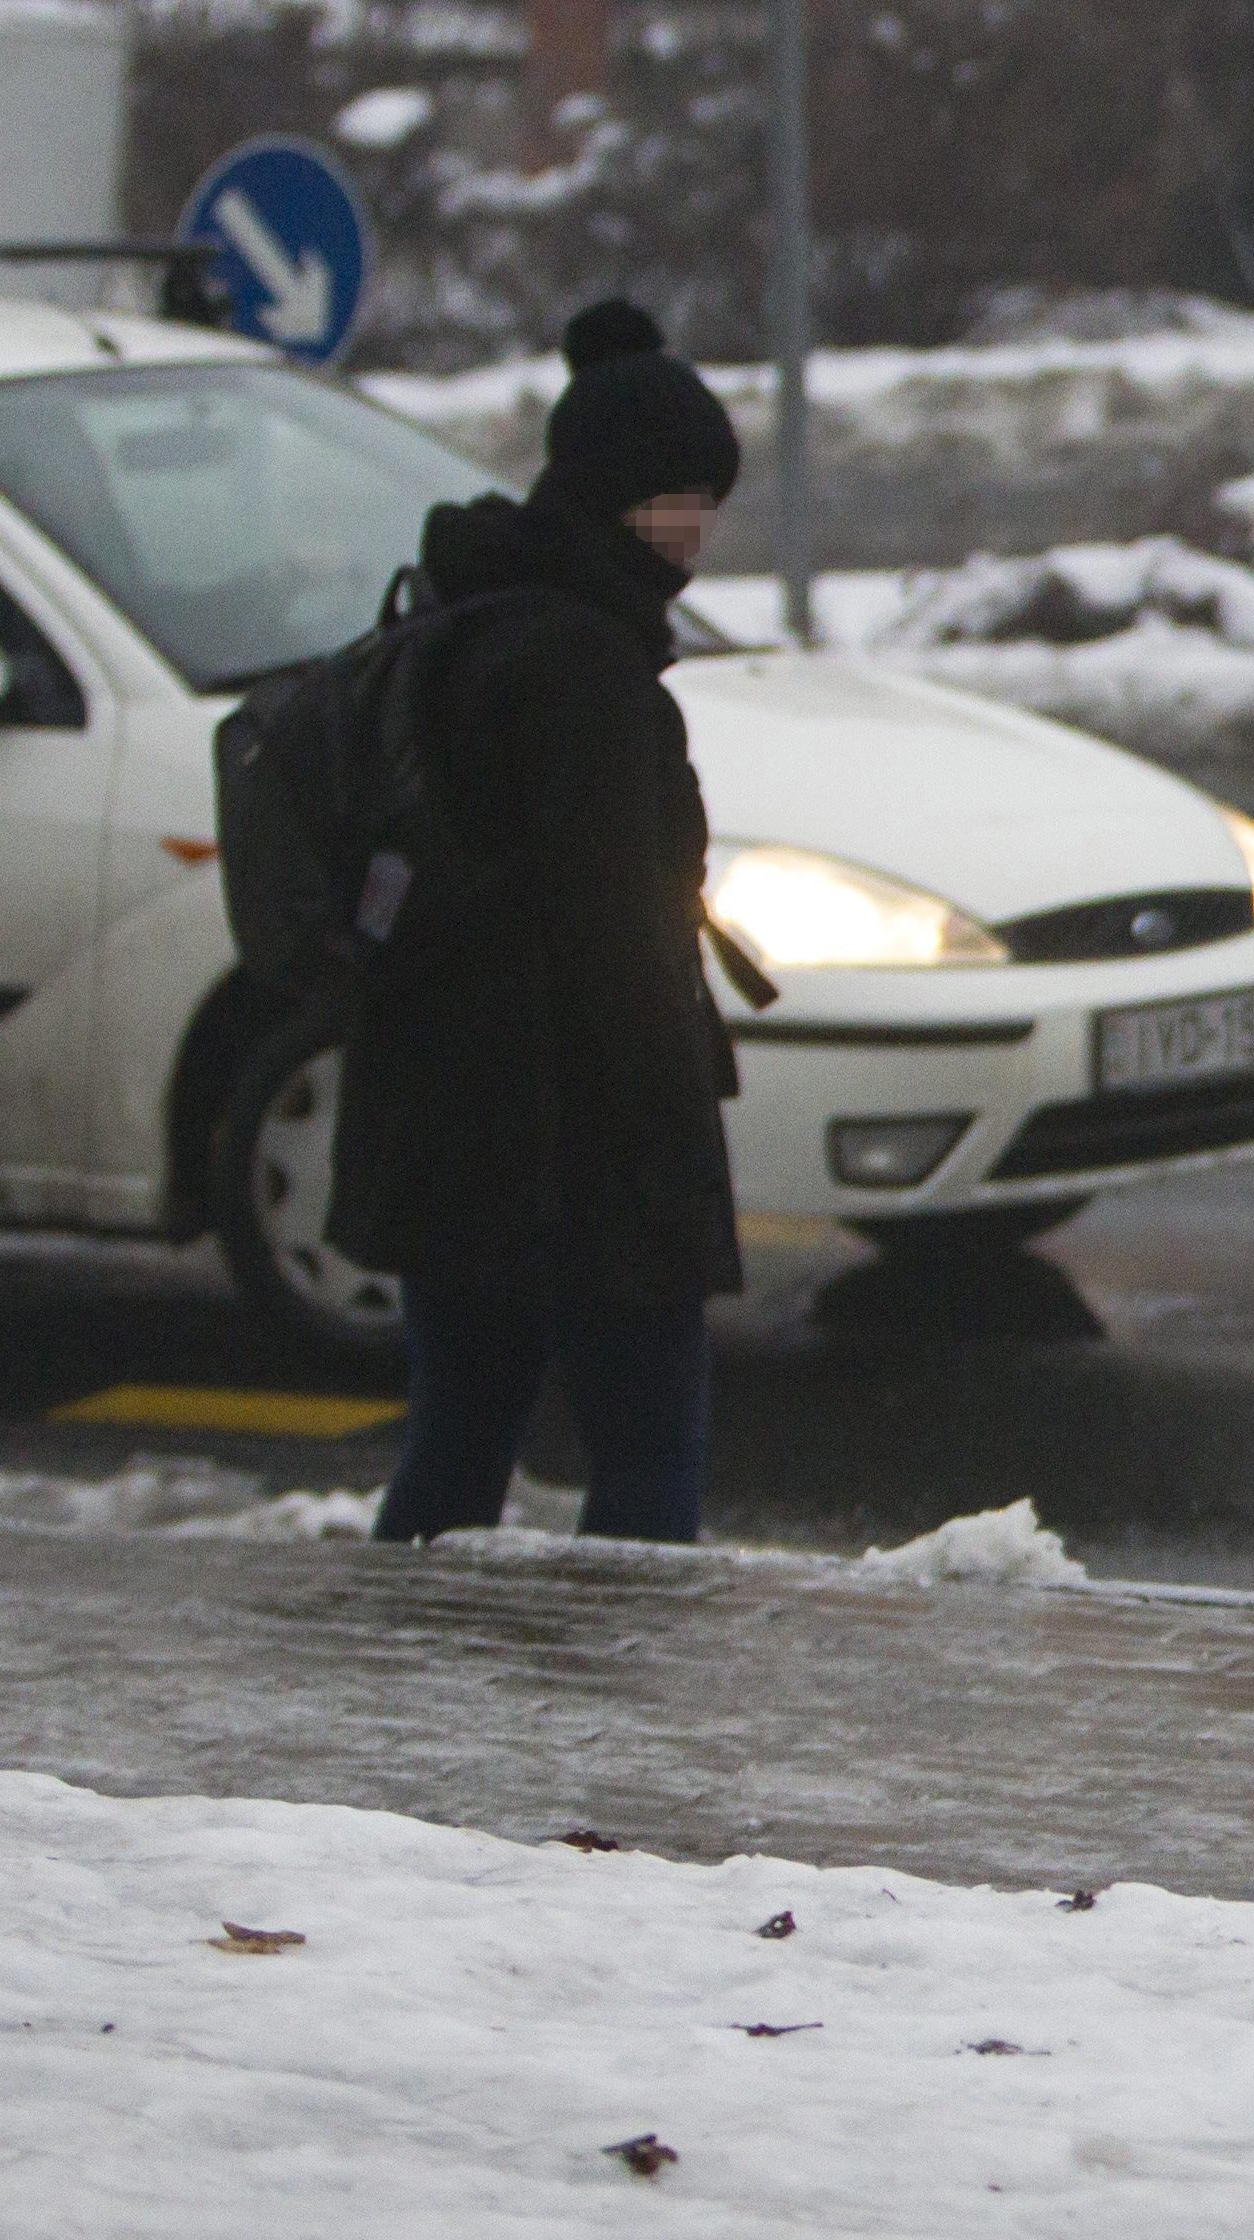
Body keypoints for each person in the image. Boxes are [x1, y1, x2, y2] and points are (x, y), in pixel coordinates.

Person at [339, 299, 747, 1546]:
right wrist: (668, 1145)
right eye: (681, 500)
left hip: (447, 1113)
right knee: (647, 1456)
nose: (697, 532)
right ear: (621, 497)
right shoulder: (583, 668)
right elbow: (610, 929)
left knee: (458, 1439)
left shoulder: (466, 611)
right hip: (574, 1142)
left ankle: (405, 1688)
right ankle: (613, 1716)